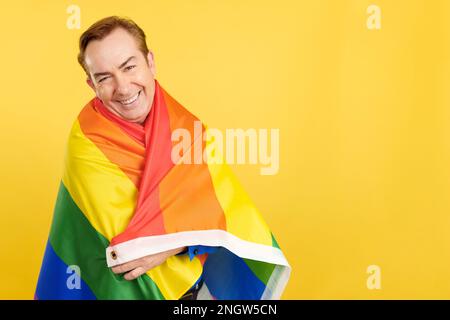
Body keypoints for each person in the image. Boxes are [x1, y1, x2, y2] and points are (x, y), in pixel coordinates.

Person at [35, 16, 290, 300]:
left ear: (150, 62)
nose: (123, 87)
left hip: (192, 294)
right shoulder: (86, 144)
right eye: (104, 78)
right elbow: (120, 252)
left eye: (129, 67)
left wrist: (173, 245)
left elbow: (225, 219)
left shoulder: (189, 132)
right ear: (92, 85)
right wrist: (181, 234)